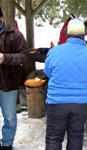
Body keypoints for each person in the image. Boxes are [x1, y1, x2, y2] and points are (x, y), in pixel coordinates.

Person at [44, 18, 87, 150]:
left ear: (67, 33)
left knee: (54, 138)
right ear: (84, 34)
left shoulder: (54, 52)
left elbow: (48, 73)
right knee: (76, 136)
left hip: (57, 103)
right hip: (81, 104)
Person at [0, 7, 30, 150]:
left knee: (10, 118)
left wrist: (5, 58)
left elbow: (25, 55)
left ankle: (7, 144)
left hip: (8, 82)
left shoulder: (15, 34)